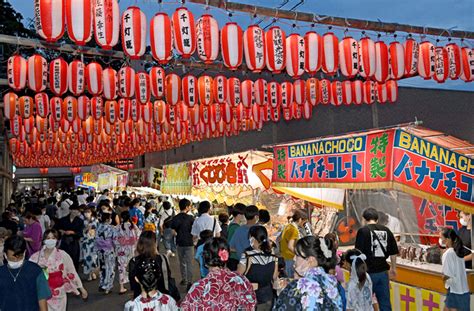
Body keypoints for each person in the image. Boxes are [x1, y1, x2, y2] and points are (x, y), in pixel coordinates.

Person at [181, 237, 257, 310]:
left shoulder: (199, 288)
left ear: (206, 261)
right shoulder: (242, 281)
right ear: (226, 257)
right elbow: (251, 304)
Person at [273, 236, 343, 310]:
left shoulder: (302, 284)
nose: (294, 258)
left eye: (297, 255)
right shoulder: (331, 280)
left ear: (310, 260)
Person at [30, 229, 88, 311]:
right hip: (42, 293)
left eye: (53, 238)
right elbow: (28, 275)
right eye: (48, 238)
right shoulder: (35, 257)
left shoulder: (62, 255)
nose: (50, 240)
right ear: (43, 240)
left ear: (57, 240)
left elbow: (71, 272)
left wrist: (81, 288)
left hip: (59, 292)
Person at [355, 207, 398, 311]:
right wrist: (393, 268)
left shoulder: (362, 231)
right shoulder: (386, 230)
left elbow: (358, 254)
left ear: (364, 219)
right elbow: (393, 252)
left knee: (365, 304)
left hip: (368, 274)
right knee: (385, 304)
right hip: (383, 273)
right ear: (377, 219)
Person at [0, 235, 51, 311]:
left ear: (24, 253)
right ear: (5, 255)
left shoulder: (36, 272)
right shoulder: (1, 273)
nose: (15, 261)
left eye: (19, 258)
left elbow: (42, 301)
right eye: (12, 259)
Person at [128, 231, 180, 302]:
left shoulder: (134, 262)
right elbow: (167, 278)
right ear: (154, 244)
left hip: (141, 298)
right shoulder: (162, 259)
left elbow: (133, 283)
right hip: (161, 297)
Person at [237, 225, 278, 310]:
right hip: (268, 297)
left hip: (252, 298)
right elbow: (274, 276)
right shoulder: (273, 256)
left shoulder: (247, 255)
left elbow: (238, 277)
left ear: (253, 238)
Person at [440, 228, 470, 311]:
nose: (441, 240)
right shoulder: (458, 250)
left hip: (455, 291)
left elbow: (446, 275)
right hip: (463, 290)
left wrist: (442, 277)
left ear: (447, 239)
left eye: (441, 238)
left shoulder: (448, 253)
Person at [170, 198, 195, 288]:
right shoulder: (191, 218)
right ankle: (190, 281)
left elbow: (173, 232)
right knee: (189, 263)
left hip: (180, 243)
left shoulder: (175, 218)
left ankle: (184, 279)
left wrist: (178, 234)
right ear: (187, 207)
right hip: (189, 243)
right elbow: (194, 231)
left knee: (182, 262)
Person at [115, 211, 141, 295]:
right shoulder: (133, 226)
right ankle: (135, 285)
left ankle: (121, 287)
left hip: (121, 250)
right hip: (131, 249)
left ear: (122, 218)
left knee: (121, 268)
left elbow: (115, 240)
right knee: (133, 268)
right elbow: (138, 236)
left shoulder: (118, 227)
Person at [279, 209, 308, 278]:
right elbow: (290, 246)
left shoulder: (288, 226)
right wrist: (300, 254)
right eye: (304, 222)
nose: (304, 225)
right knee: (290, 278)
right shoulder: (294, 230)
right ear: (300, 219)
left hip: (284, 256)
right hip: (289, 258)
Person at [54, 204, 84, 269]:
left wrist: (72, 232)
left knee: (74, 259)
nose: (75, 212)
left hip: (74, 241)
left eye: (77, 211)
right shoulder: (63, 219)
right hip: (64, 241)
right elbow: (56, 228)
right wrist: (62, 231)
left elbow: (80, 233)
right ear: (70, 210)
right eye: (74, 210)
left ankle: (74, 275)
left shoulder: (80, 221)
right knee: (64, 258)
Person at [96, 213, 117, 294]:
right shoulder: (111, 228)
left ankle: (102, 284)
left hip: (100, 250)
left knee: (102, 267)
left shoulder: (99, 227)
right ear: (108, 219)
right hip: (109, 249)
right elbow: (114, 239)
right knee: (110, 268)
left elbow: (96, 238)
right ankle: (107, 286)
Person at [80, 206, 98, 281]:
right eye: (85, 212)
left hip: (93, 241)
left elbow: (98, 230)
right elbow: (81, 231)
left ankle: (93, 272)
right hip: (85, 241)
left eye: (88, 212)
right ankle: (89, 274)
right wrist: (86, 229)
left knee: (94, 258)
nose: (87, 213)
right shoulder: (82, 221)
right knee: (86, 258)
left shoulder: (95, 220)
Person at [227, 203, 246, 270]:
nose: (245, 216)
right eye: (244, 214)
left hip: (235, 258)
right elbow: (230, 247)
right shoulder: (234, 227)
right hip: (234, 259)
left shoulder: (235, 226)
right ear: (239, 215)